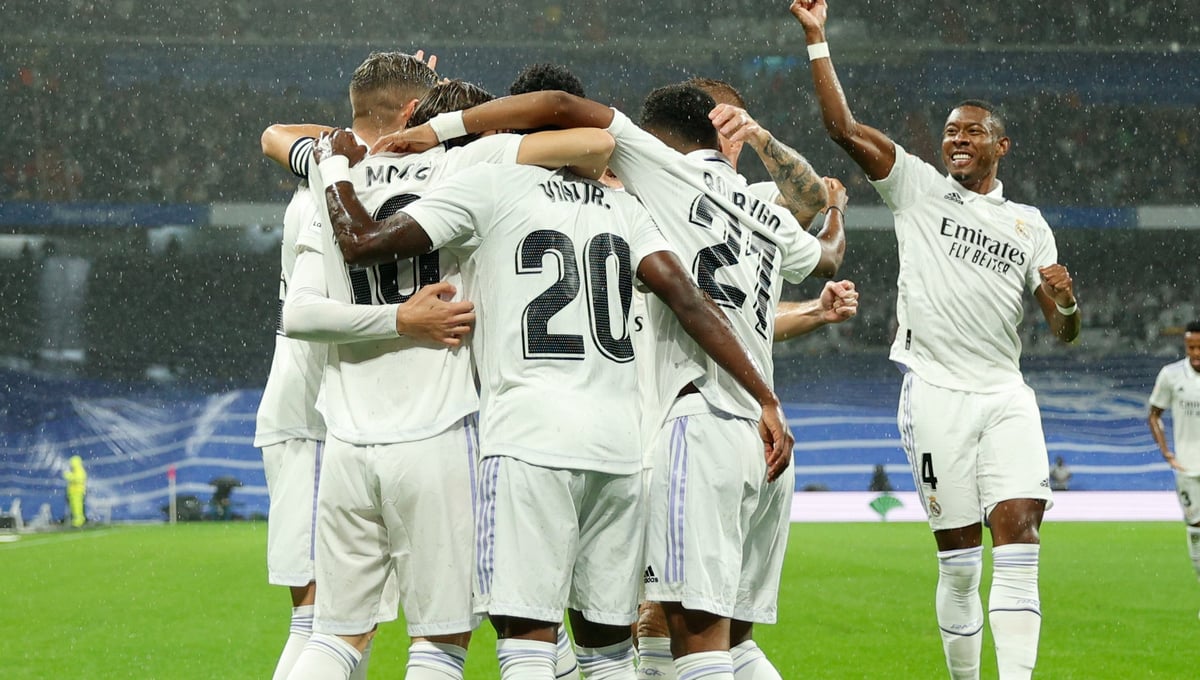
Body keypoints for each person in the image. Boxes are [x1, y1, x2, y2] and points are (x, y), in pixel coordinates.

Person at [375, 83, 845, 680]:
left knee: (672, 636)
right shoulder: (741, 207)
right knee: (699, 639)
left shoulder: (654, 183)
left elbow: (569, 115)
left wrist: (430, 132)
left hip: (676, 424)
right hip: (743, 432)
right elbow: (818, 251)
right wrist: (830, 214)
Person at [283, 78, 624, 680]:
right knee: (440, 645)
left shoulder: (337, 184)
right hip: (438, 431)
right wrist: (406, 319)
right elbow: (597, 144)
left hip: (345, 441)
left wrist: (333, 159)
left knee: (333, 636)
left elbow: (300, 316)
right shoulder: (475, 163)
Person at [788, 2, 1082, 679]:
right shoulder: (917, 188)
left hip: (1005, 395)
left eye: (972, 132)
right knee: (959, 564)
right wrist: (816, 39)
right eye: (950, 131)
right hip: (935, 394)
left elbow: (1063, 331)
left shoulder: (1029, 224)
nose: (957, 140)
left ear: (1001, 146)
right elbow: (842, 129)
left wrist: (1065, 300)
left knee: (1020, 542)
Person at [255, 50, 440, 680]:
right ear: (411, 112)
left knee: (346, 624)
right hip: (315, 418)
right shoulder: (340, 184)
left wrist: (383, 112)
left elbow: (275, 134)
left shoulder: (331, 167)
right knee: (321, 623)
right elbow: (303, 314)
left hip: (337, 416)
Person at [1147, 320, 1200, 615]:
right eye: (1191, 347)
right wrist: (1167, 452)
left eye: (1199, 347)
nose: (1196, 353)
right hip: (1188, 468)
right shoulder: (1171, 375)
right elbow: (1154, 414)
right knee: (1196, 531)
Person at [63, 455, 86, 528]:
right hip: (73, 493)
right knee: (74, 508)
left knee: (77, 507)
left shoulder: (80, 471)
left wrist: (69, 476)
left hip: (77, 492)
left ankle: (79, 521)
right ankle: (76, 521)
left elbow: (77, 479)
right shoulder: (75, 471)